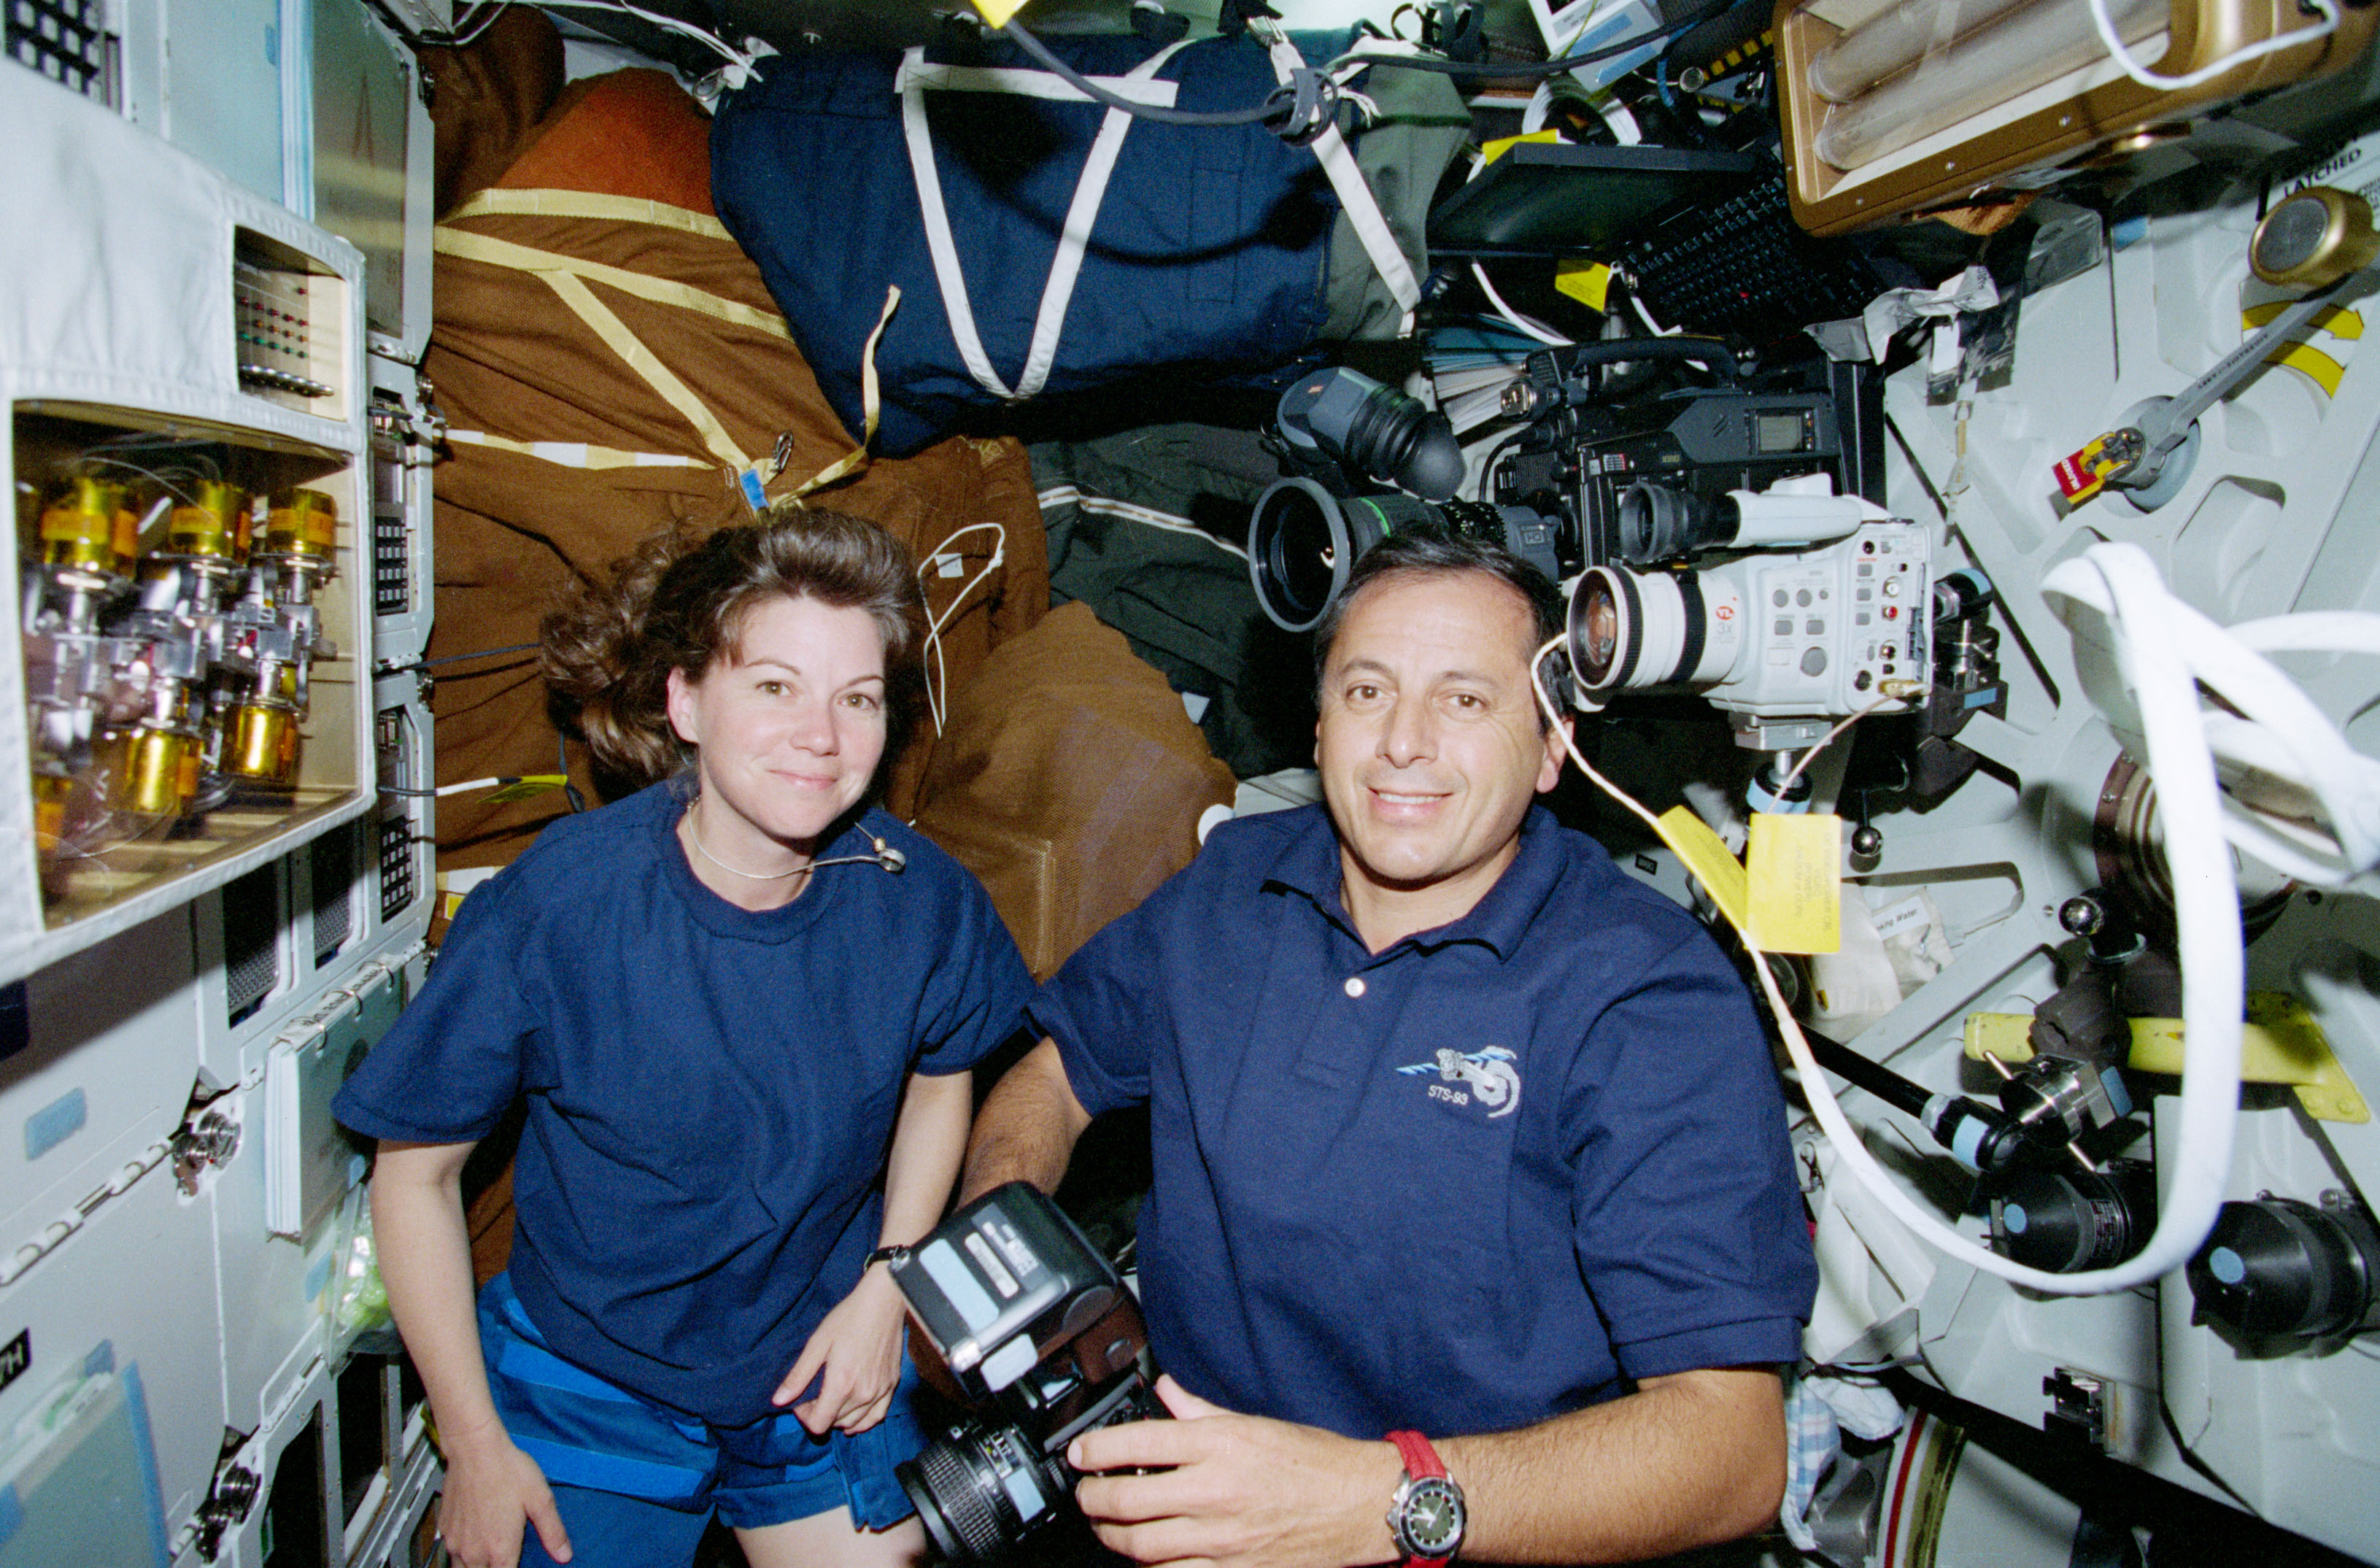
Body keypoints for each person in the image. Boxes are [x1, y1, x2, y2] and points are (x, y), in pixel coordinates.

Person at [959, 531, 1818, 1567]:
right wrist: (1000, 1264)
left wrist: (1387, 1497)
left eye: (1464, 700)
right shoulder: (1232, 885)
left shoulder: (1644, 995)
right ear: (1320, 725)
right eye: (1367, 691)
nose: (1403, 742)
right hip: (1173, 1514)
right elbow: (1054, 1074)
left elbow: (1728, 1451)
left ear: (1551, 745)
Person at [336, 510, 1033, 1568]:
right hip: (591, 1368)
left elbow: (943, 1074)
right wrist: (473, 1444)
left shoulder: (919, 896)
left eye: (857, 699)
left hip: (816, 1352)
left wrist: (891, 1280)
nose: (823, 736)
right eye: (774, 686)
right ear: (685, 700)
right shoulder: (558, 904)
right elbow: (412, 1175)